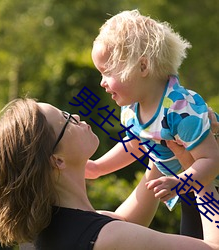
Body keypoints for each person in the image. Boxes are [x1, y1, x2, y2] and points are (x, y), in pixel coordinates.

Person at [0, 98, 219, 250]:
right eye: (66, 120)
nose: (75, 116)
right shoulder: (107, 238)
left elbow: (125, 221)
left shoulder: (41, 234)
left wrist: (161, 139)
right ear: (57, 160)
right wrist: (201, 171)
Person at [88, 9, 219, 239]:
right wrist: (98, 167)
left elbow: (212, 160)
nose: (102, 82)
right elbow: (135, 144)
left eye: (107, 72)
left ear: (142, 67)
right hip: (191, 189)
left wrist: (180, 182)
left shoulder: (180, 109)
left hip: (209, 188)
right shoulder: (131, 109)